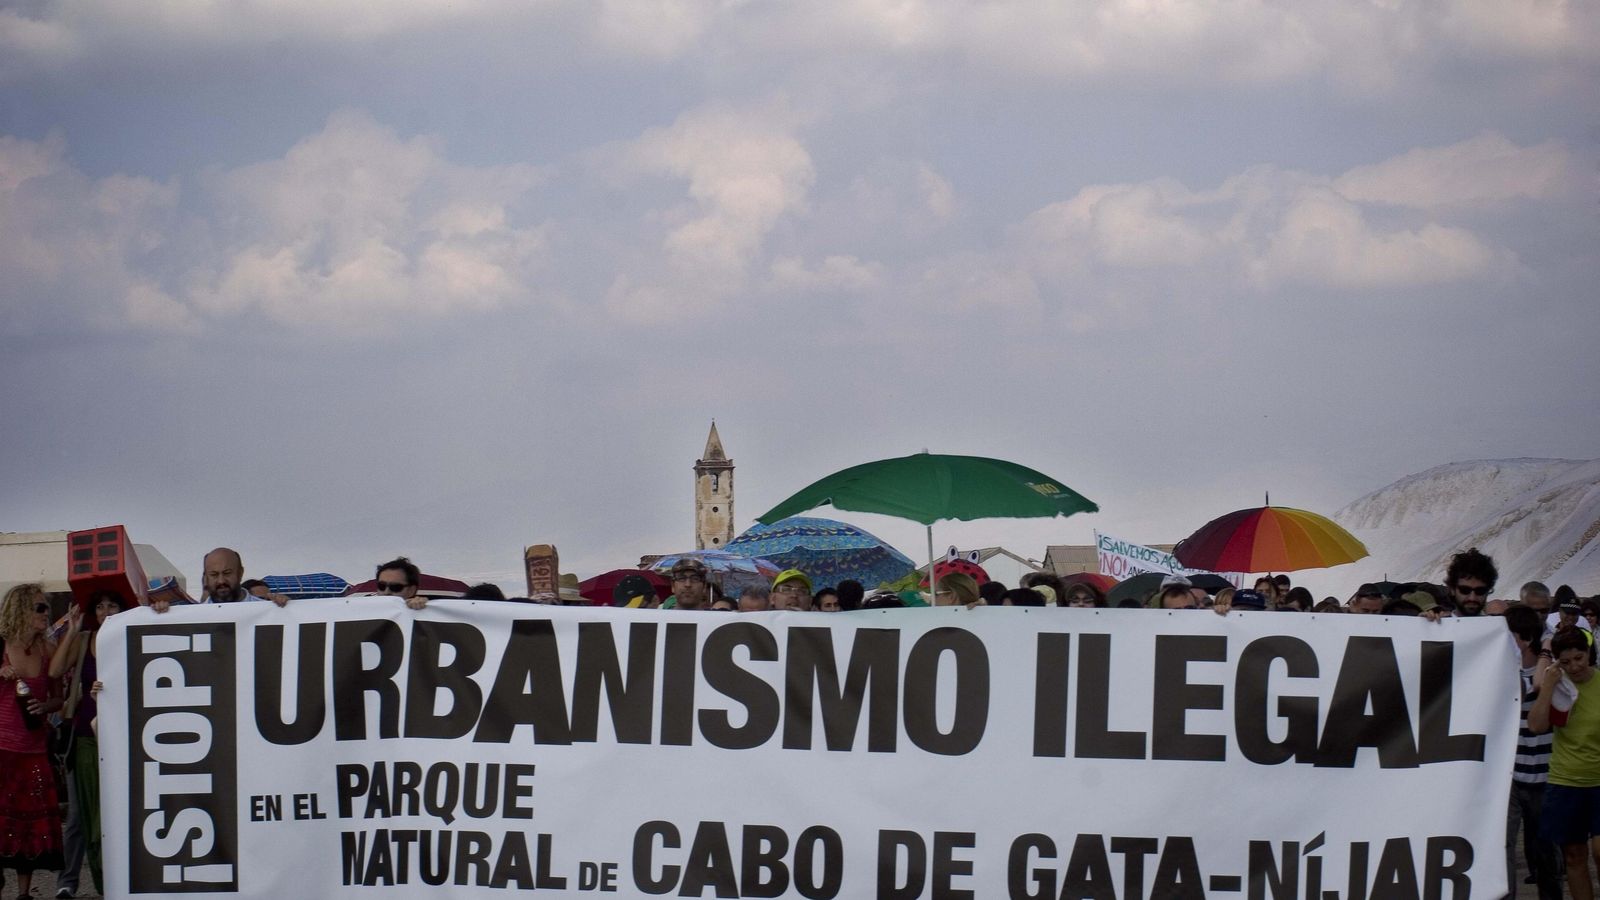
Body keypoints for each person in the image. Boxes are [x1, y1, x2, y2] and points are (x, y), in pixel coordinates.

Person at [48, 590, 129, 898]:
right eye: (99, 605)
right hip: (85, 737)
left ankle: (114, 882)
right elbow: (55, 671)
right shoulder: (84, 640)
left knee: (115, 814)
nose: (105, 610)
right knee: (80, 816)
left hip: (122, 739)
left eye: (112, 604)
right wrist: (71, 630)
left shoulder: (132, 637)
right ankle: (67, 882)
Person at [0, 584, 65, 899]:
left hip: (34, 749)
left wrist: (46, 707)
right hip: (2, 749)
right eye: (39, 607)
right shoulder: (1, 645)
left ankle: (24, 893)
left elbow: (59, 699)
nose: (46, 614)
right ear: (21, 610)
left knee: (25, 826)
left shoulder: (48, 650)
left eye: (46, 608)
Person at [1529, 627, 1600, 900]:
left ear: (1589, 653)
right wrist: (1548, 684)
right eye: (1566, 661)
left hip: (1598, 780)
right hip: (1566, 781)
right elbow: (1536, 725)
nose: (1575, 666)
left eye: (1579, 658)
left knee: (1599, 850)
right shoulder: (1559, 686)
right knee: (1574, 855)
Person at [1504, 606, 1561, 900]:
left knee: (1545, 851)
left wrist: (1545, 654)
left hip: (1544, 770)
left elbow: (1537, 685)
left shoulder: (1550, 669)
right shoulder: (1504, 669)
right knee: (1504, 849)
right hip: (1510, 773)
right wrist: (1545, 653)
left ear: (1523, 638)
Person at [1445, 548, 1497, 617]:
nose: (1472, 598)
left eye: (1480, 591)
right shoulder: (1436, 626)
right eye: (1465, 590)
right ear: (1452, 589)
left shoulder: (1498, 625)